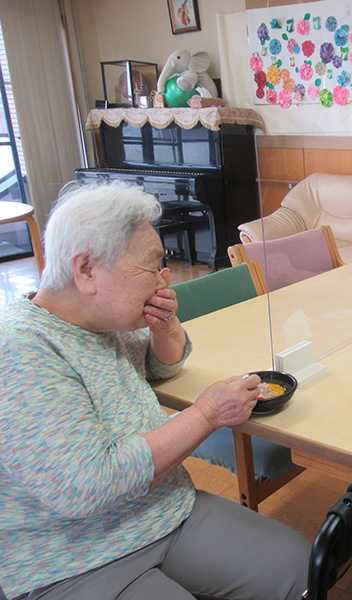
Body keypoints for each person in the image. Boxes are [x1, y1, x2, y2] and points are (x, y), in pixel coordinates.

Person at [0, 183, 310, 600]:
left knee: (298, 566)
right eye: (152, 266)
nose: (164, 279)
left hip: (163, 509)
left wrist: (166, 327)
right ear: (87, 271)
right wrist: (206, 415)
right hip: (73, 557)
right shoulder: (20, 350)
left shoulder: (101, 321)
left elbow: (161, 365)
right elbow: (87, 487)